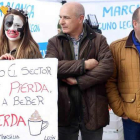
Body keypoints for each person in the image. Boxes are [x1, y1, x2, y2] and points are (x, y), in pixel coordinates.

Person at [46, 2, 113, 140]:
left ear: (80, 18)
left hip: (93, 111)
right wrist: (84, 65)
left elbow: (107, 68)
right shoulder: (54, 42)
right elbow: (51, 67)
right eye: (60, 17)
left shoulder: (99, 40)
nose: (61, 22)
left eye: (66, 17)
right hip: (64, 112)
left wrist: (78, 81)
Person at [106, 7, 140, 140]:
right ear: (135, 23)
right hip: (132, 119)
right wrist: (120, 110)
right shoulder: (116, 47)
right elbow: (110, 81)